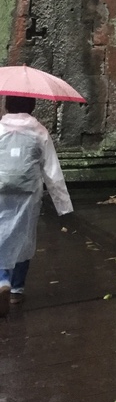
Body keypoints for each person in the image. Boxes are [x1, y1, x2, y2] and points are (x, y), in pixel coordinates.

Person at [0, 95, 72, 316]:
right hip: (29, 193)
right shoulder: (39, 131)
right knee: (24, 237)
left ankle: (2, 279)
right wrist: (64, 206)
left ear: (7, 105)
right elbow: (52, 171)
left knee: (1, 233)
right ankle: (16, 290)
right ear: (32, 106)